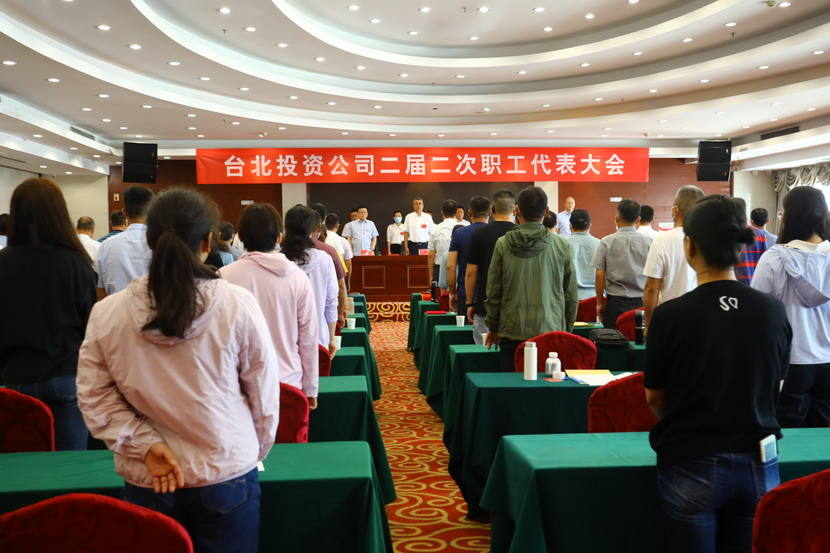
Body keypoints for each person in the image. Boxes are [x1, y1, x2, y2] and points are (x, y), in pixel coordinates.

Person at [77, 189, 279, 553]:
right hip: (225, 468)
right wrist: (251, 451)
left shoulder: (107, 312)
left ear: (150, 240)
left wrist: (145, 445)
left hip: (148, 474)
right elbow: (263, 393)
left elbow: (93, 396)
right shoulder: (236, 304)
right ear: (207, 242)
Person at [645, 195, 791, 553]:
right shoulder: (772, 310)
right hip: (758, 461)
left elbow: (656, 397)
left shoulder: (671, 315)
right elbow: (777, 384)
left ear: (690, 246)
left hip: (690, 458)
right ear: (740, 247)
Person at [0, 177, 97, 450]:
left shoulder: (3, 262)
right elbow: (91, 326)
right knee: (70, 465)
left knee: (22, 465)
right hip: (66, 377)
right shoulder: (76, 262)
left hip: (14, 380)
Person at [219, 203, 319, 408]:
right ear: (279, 237)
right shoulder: (297, 278)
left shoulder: (224, 276)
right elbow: (308, 337)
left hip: (238, 387)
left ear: (241, 237)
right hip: (288, 383)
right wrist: (311, 388)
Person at [752, 186, 830, 428]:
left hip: (789, 362)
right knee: (821, 435)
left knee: (789, 432)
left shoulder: (774, 258)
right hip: (828, 360)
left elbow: (759, 313)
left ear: (790, 215)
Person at [484, 186, 578, 372]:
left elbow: (493, 291)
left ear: (517, 210)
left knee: (511, 386)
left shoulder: (503, 244)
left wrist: (493, 327)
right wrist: (566, 330)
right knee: (548, 386)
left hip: (512, 329)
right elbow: (571, 295)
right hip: (550, 331)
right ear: (547, 211)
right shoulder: (561, 245)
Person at [642, 185, 705, 332]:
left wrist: (649, 324)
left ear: (674, 211)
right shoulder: (709, 239)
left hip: (669, 319)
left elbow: (652, 288)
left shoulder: (662, 240)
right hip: (702, 318)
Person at [281, 206, 339, 354]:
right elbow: (331, 301)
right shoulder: (324, 259)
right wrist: (331, 338)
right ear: (313, 229)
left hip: (284, 339)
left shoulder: (278, 259)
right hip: (318, 335)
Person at [592, 199, 652, 329]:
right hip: (642, 304)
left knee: (614, 339)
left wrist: (600, 303)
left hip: (615, 304)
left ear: (616, 217)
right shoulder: (650, 242)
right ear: (638, 220)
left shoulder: (606, 242)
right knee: (640, 340)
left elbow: (599, 275)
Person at [465, 189, 515, 345]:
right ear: (514, 210)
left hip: (485, 303)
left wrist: (470, 303)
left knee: (483, 353)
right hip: (515, 306)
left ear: (492, 210)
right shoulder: (520, 234)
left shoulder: (480, 234)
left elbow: (471, 273)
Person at [96, 186, 154, 298]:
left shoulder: (105, 245)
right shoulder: (161, 243)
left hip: (115, 308)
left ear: (123, 212)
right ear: (153, 211)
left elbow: (100, 290)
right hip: (153, 308)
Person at [447, 197, 490, 313]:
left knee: (464, 324)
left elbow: (450, 267)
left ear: (469, 212)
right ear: (490, 212)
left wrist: (452, 293)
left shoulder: (459, 233)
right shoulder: (496, 233)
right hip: (490, 293)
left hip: (464, 292)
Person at [308, 203, 347, 327]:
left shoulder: (284, 253)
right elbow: (341, 285)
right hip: (324, 311)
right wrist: (340, 311)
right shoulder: (329, 251)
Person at [565, 209, 601, 301]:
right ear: (590, 225)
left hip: (569, 298)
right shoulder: (600, 244)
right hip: (594, 298)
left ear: (570, 226)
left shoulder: (562, 244)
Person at [735, 208, 777, 285]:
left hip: (738, 280)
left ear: (751, 221)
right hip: (758, 281)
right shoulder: (775, 239)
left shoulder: (735, 234)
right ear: (768, 220)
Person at [427, 200, 459, 287]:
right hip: (458, 268)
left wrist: (431, 275)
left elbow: (431, 255)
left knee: (440, 294)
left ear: (442, 213)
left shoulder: (435, 229)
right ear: (456, 213)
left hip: (440, 269)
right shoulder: (463, 228)